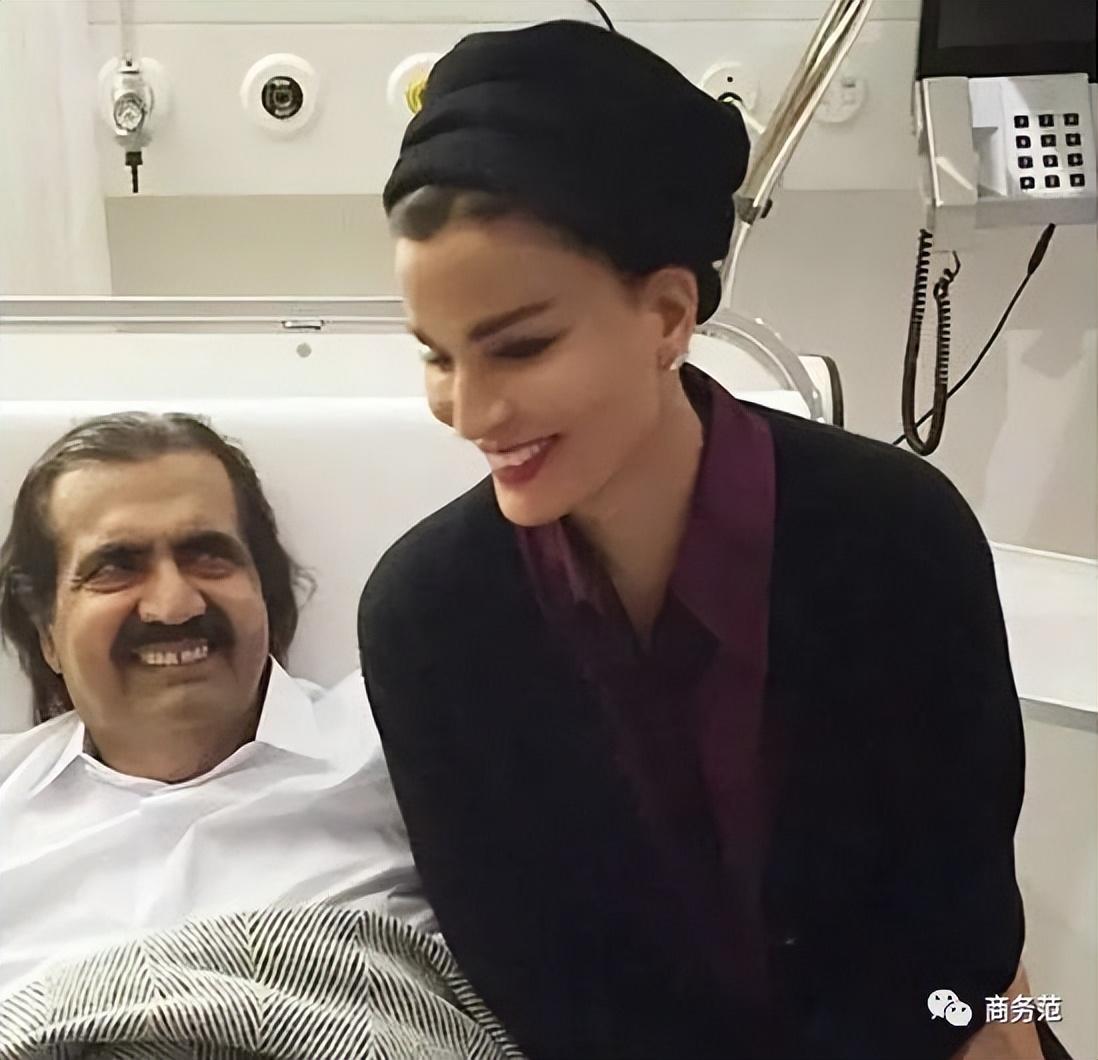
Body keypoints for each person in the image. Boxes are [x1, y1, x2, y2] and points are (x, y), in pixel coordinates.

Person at [358, 19, 1044, 1060]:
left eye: (521, 347)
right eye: (437, 356)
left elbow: (961, 937)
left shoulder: (898, 541)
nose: (470, 410)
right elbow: (536, 985)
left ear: (669, 314)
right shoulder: (429, 621)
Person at [0, 412, 432, 998]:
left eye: (208, 556)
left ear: (263, 591)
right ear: (46, 631)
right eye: (116, 568)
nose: (174, 605)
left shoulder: (401, 743)